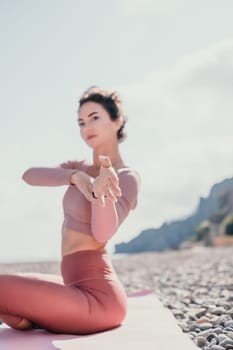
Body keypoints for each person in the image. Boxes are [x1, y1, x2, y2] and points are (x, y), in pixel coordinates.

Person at [0, 86, 140, 335]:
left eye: (95, 118)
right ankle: (34, 319)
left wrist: (100, 195)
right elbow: (29, 176)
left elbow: (102, 233)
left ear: (117, 121)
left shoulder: (127, 177)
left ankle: (42, 316)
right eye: (81, 122)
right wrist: (75, 177)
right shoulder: (79, 167)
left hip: (100, 300)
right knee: (10, 303)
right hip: (72, 286)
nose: (87, 127)